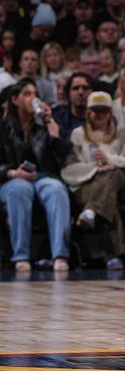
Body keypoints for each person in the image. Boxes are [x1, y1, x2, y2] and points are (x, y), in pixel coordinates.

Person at [61, 92, 125, 270]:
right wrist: (95, 168)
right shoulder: (78, 135)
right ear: (89, 113)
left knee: (110, 176)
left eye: (104, 111)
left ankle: (89, 212)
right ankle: (113, 255)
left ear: (110, 113)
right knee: (106, 198)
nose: (100, 115)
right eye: (96, 111)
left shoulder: (121, 133)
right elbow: (68, 168)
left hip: (118, 180)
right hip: (87, 183)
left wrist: (110, 160)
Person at [0, 79, 72, 272]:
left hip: (41, 177)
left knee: (56, 189)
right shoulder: (3, 128)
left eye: (34, 94)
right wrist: (14, 172)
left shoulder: (42, 127)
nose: (33, 98)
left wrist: (49, 120)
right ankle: (21, 255)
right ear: (15, 99)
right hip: (10, 178)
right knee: (20, 189)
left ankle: (60, 254)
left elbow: (63, 151)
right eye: (27, 94)